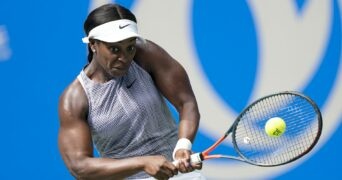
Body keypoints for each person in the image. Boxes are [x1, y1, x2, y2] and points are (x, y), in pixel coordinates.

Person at [58, 3, 205, 180]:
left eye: (130, 47)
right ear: (93, 45)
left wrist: (183, 146)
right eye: (114, 49)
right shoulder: (75, 98)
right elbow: (79, 166)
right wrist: (142, 163)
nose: (125, 58)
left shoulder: (146, 55)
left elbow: (186, 102)